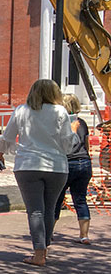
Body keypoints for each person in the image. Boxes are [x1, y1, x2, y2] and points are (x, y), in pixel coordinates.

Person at [0, 79, 79, 267]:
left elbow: (7, 136)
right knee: (49, 209)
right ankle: (44, 249)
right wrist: (73, 132)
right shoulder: (60, 112)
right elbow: (67, 144)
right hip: (56, 166)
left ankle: (39, 252)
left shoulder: (21, 110)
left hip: (28, 165)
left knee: (35, 211)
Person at [51, 94, 93, 245]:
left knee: (56, 199)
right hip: (84, 162)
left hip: (66, 163)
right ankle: (84, 235)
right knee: (80, 199)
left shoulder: (59, 122)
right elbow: (86, 144)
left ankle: (49, 232)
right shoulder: (82, 122)